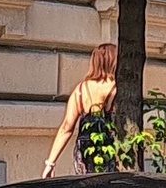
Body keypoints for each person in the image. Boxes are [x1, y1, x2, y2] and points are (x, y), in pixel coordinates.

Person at [43, 42, 123, 178]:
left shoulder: (80, 90)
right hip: (111, 151)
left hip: (84, 152)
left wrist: (50, 164)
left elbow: (66, 128)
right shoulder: (117, 88)